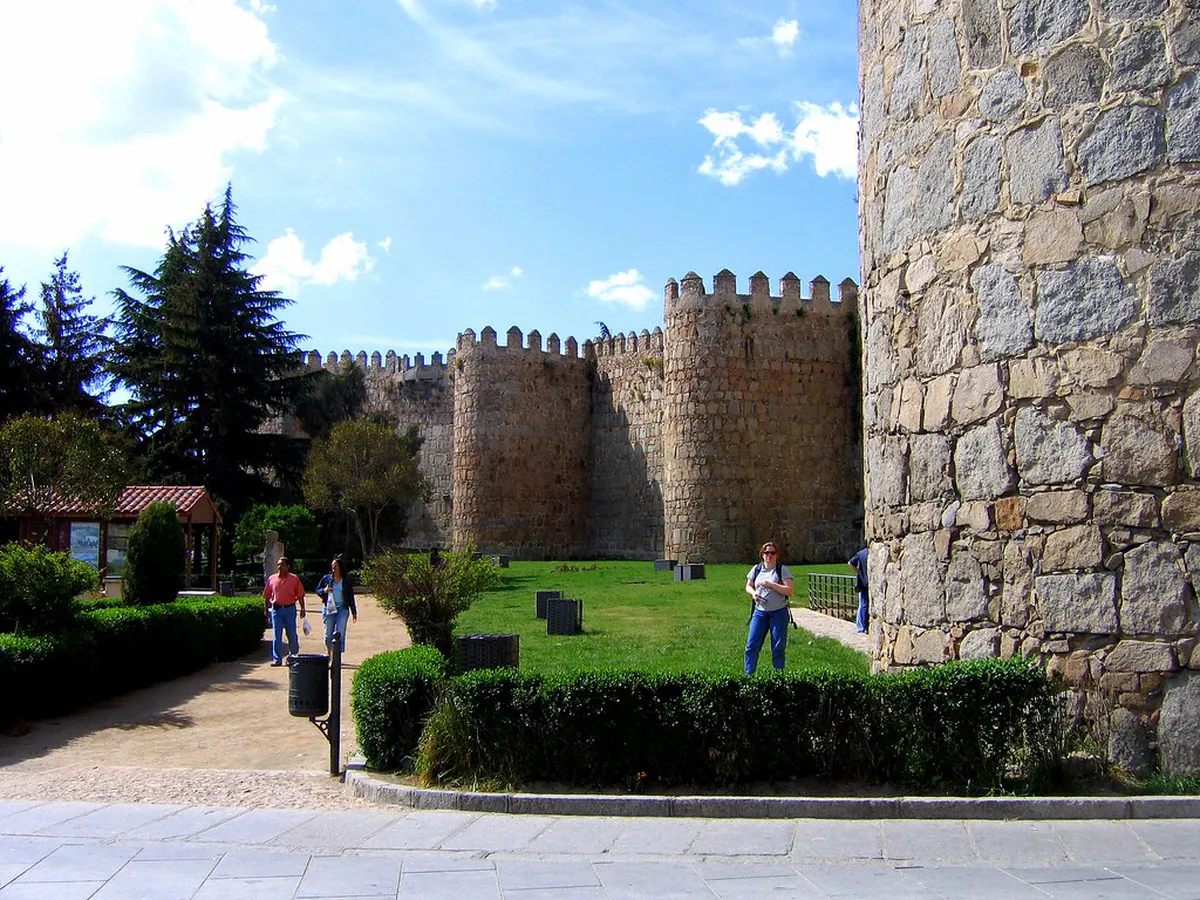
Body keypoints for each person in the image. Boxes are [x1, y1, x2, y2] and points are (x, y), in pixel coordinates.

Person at [744, 541, 795, 675]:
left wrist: (772, 585)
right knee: (751, 646)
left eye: (772, 553)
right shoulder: (756, 569)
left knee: (778, 647)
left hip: (778, 613)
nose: (769, 556)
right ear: (762, 554)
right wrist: (754, 593)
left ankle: (778, 676)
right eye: (767, 553)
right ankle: (749, 675)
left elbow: (789, 590)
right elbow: (748, 586)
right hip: (760, 612)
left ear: (776, 555)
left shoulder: (781, 569)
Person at [263, 556, 306, 666]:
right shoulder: (272, 579)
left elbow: (300, 594)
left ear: (288, 566)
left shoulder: (294, 579)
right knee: (277, 635)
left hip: (289, 609)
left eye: (281, 565)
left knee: (291, 633)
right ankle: (277, 659)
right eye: (278, 565)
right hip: (276, 610)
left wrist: (302, 608)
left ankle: (293, 656)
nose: (279, 567)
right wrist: (266, 610)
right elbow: (267, 596)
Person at [315, 555, 358, 653]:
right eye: (332, 566)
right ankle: (329, 651)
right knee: (328, 634)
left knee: (340, 633)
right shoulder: (326, 579)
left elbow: (350, 596)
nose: (333, 568)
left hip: (342, 609)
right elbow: (317, 590)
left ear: (340, 567)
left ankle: (337, 655)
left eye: (335, 566)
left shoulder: (346, 581)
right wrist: (324, 590)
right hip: (329, 609)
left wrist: (354, 611)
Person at [849, 547, 869, 634]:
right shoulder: (871, 553)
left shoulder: (861, 553)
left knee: (863, 604)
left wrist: (858, 572)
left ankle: (862, 626)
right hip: (870, 582)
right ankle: (864, 626)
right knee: (865, 604)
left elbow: (850, 563)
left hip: (863, 581)